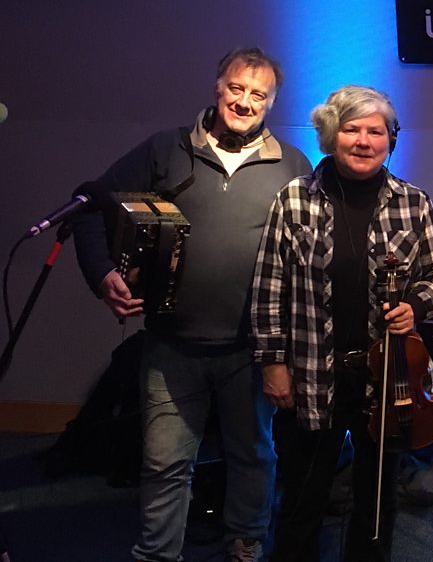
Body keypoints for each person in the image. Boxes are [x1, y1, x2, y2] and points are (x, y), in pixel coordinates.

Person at [71, 47, 312, 562]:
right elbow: (90, 204)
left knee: (254, 455)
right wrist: (102, 275)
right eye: (236, 89)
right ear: (217, 86)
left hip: (250, 349)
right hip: (171, 344)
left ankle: (246, 545)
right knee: (164, 463)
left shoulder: (293, 165)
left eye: (259, 94)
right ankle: (158, 554)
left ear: (272, 102)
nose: (244, 102)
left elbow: (306, 256)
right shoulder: (166, 149)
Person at [251, 84, 433, 562]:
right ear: (330, 135)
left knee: (376, 504)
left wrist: (416, 306)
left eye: (375, 131)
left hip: (387, 379)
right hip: (312, 373)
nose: (364, 141)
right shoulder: (293, 199)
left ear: (391, 139)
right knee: (302, 498)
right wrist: (272, 364)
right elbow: (268, 287)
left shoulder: (414, 203)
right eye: (352, 129)